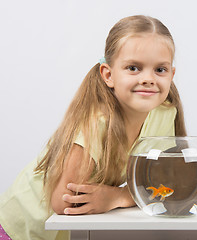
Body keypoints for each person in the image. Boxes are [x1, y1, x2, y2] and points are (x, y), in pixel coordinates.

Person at [0, 15, 186, 240]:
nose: (148, 78)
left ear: (171, 75)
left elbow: (163, 183)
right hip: (20, 227)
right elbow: (63, 201)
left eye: (160, 70)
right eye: (134, 68)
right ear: (108, 75)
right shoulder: (97, 122)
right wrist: (126, 195)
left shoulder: (164, 113)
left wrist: (118, 197)